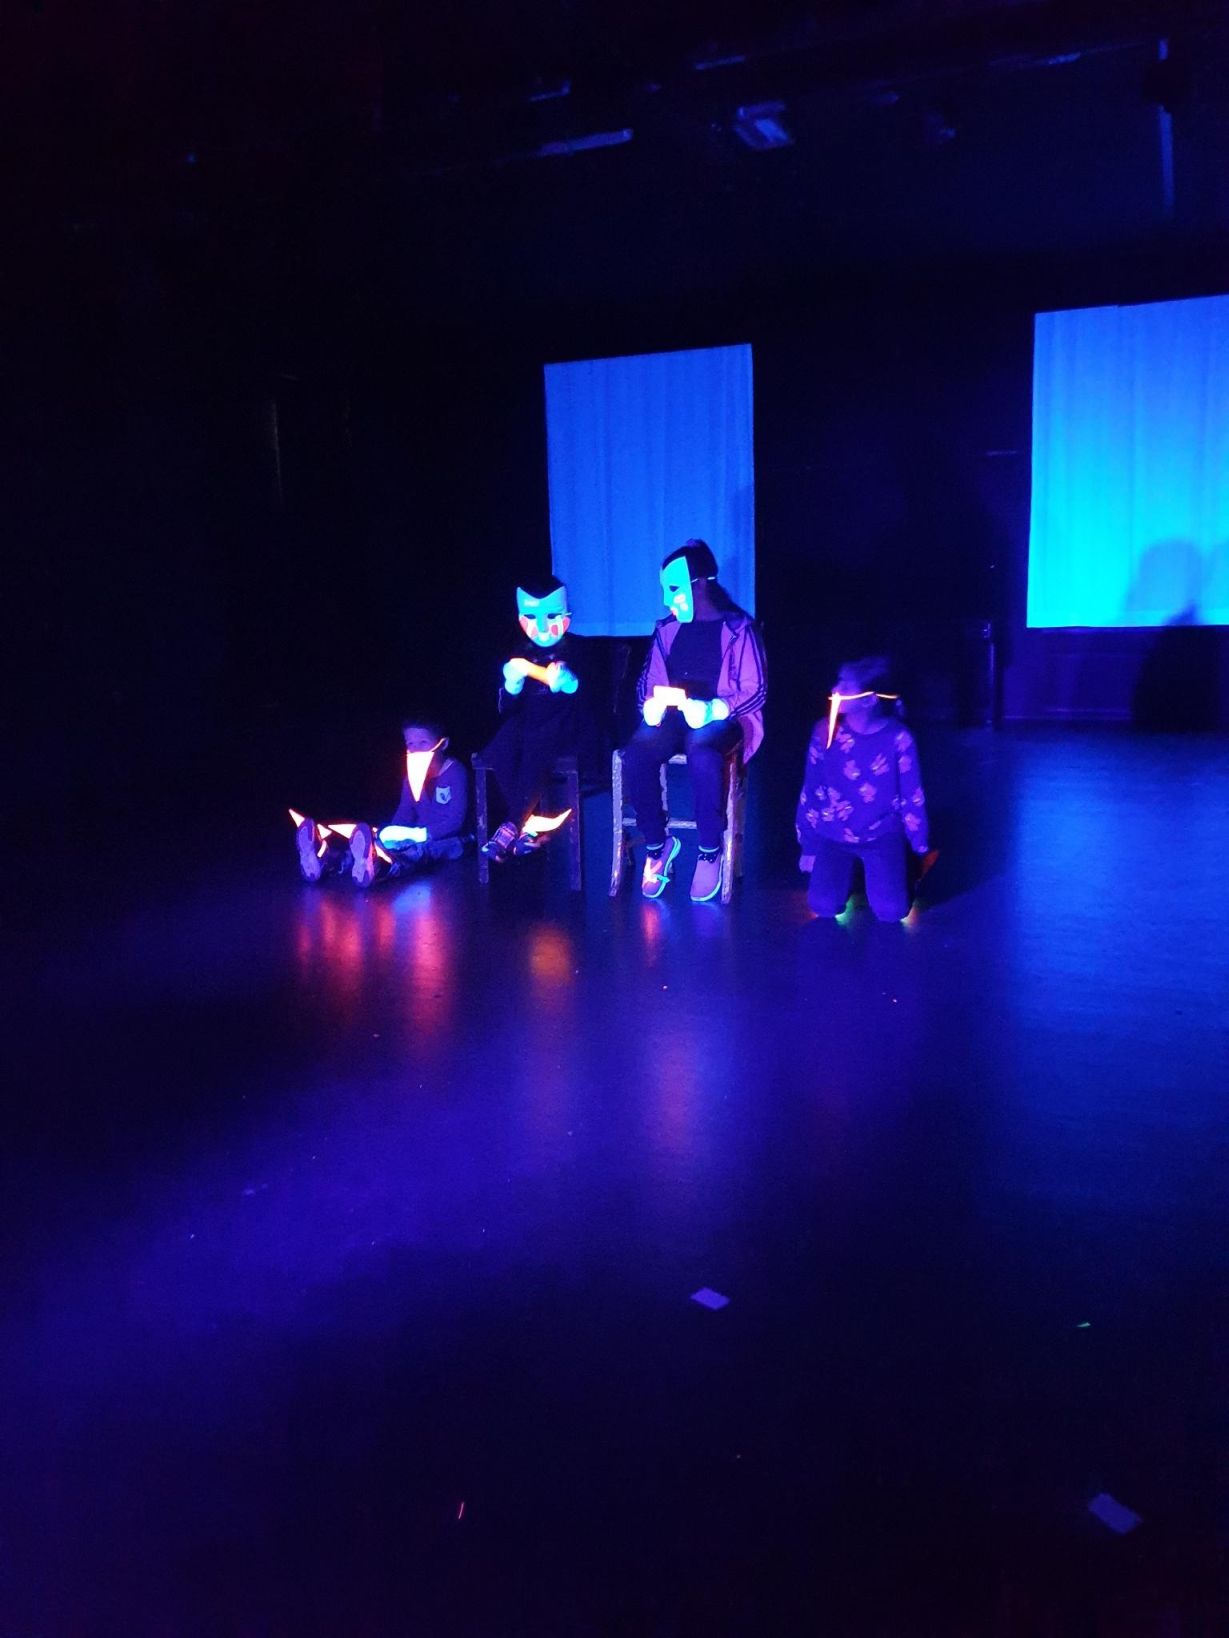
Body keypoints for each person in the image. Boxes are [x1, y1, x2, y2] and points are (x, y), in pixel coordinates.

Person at [623, 540, 767, 902]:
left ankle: (709, 849)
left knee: (702, 753)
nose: (667, 599)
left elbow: (756, 689)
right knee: (637, 754)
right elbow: (648, 680)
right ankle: (657, 845)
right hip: (676, 714)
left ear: (700, 584)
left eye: (673, 589)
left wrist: (715, 708)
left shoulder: (739, 628)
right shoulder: (667, 629)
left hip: (721, 716)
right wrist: (650, 705)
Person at [795, 657, 929, 922]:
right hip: (834, 834)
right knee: (822, 904)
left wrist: (918, 844)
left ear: (869, 700)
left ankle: (898, 870)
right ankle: (852, 876)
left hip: (881, 834)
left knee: (891, 911)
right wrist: (809, 844)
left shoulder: (898, 738)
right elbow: (812, 789)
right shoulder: (824, 733)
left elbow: (911, 795)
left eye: (845, 685)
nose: (836, 689)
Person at [291, 715, 469, 887]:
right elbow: (405, 811)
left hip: (451, 840)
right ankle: (329, 861)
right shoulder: (412, 777)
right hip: (417, 834)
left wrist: (419, 835)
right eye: (410, 744)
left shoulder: (455, 772)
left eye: (423, 743)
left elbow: (455, 822)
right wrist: (391, 835)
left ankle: (383, 867)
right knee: (378, 844)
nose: (416, 750)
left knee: (419, 851)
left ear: (443, 744)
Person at [480, 575, 585, 862]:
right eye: (532, 618)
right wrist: (512, 684)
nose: (541, 627)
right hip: (528, 724)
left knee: (537, 743)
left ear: (565, 616)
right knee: (501, 747)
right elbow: (506, 707)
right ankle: (524, 825)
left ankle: (511, 825)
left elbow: (583, 693)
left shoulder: (576, 649)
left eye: (550, 617)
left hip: (565, 725)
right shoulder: (520, 651)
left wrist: (566, 679)